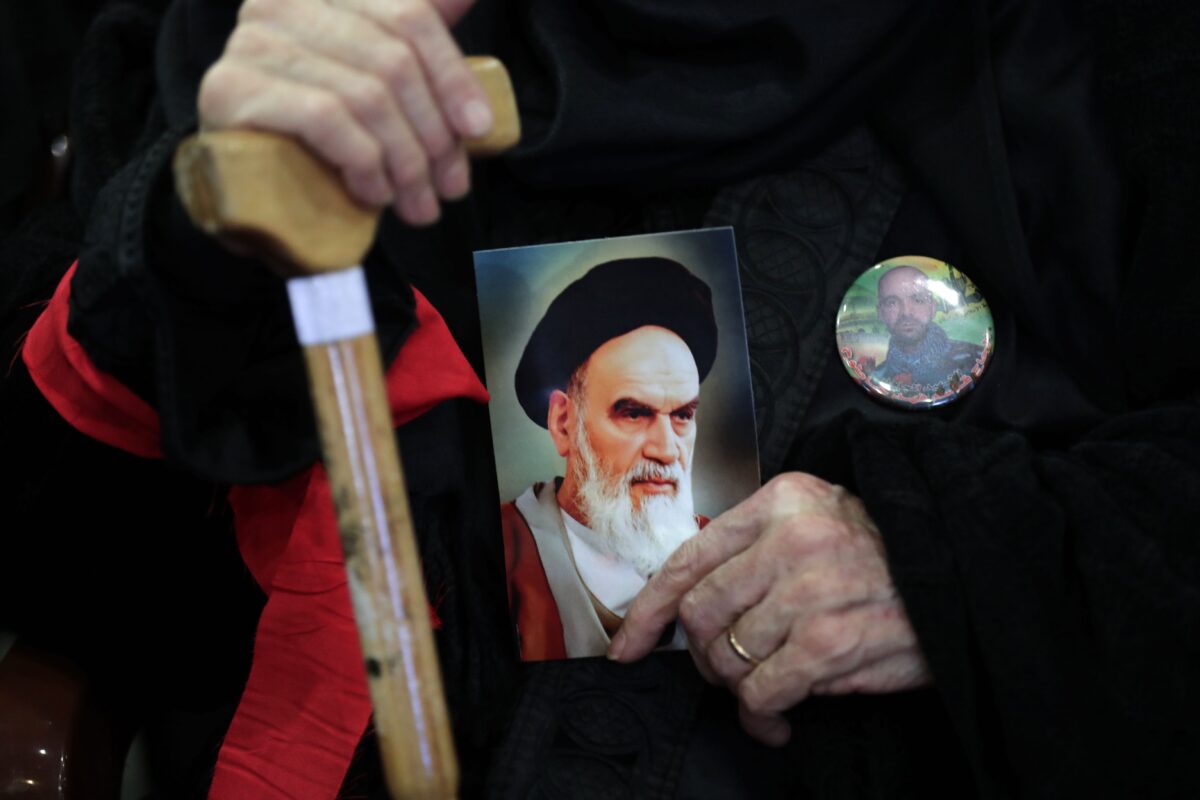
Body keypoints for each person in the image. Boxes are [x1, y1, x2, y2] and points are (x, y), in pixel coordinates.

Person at [2, 0, 1198, 798]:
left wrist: (940, 561)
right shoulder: (310, 37)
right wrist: (198, 226)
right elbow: (66, 551)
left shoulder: (1102, 56)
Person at [500, 257, 717, 660]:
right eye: (634, 413)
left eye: (683, 416)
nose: (667, 450)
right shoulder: (500, 550)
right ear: (564, 423)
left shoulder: (726, 548)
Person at [870, 265, 982, 387]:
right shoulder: (876, 377)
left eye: (918, 300)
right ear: (880, 313)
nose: (906, 313)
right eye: (892, 303)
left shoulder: (975, 360)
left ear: (933, 307)